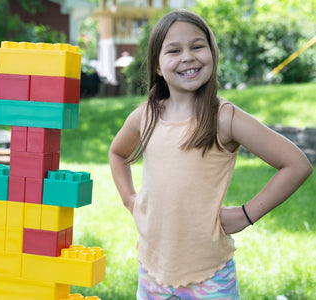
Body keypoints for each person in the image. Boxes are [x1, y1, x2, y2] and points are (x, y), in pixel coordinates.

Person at [108, 9, 313, 300]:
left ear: (212, 53)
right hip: (153, 269)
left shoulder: (224, 117)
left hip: (209, 276)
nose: (188, 57)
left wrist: (246, 215)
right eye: (174, 50)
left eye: (197, 46)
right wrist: (129, 199)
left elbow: (296, 164)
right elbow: (117, 153)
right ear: (156, 65)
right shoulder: (146, 115)